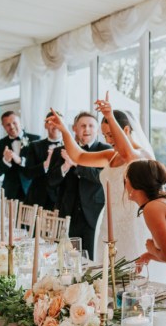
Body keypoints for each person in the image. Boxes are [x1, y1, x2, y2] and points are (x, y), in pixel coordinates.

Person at [46, 93, 154, 261]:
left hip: (131, 224)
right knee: (105, 272)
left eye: (111, 135)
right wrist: (64, 130)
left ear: (125, 130)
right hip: (108, 222)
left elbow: (128, 155)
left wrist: (109, 115)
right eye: (105, 136)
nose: (109, 140)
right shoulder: (110, 155)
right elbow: (77, 156)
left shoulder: (141, 155)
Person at [47, 112, 111, 260]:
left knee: (91, 258)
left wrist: (76, 163)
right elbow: (50, 182)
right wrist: (66, 165)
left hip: (94, 214)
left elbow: (101, 178)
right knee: (67, 258)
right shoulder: (60, 152)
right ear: (74, 128)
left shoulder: (105, 150)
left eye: (91, 126)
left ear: (97, 129)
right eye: (83, 126)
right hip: (67, 214)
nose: (86, 129)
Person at [0, 111, 41, 200]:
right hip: (10, 193)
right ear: (3, 127)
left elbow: (39, 166)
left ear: (20, 123)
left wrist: (20, 160)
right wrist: (5, 161)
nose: (11, 126)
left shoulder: (36, 139)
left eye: (14, 123)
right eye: (7, 125)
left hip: (32, 190)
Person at [23, 111, 63, 210]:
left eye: (58, 122)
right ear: (45, 125)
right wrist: (45, 164)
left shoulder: (71, 148)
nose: (55, 125)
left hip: (60, 199)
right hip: (37, 199)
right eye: (51, 122)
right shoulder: (34, 145)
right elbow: (28, 173)